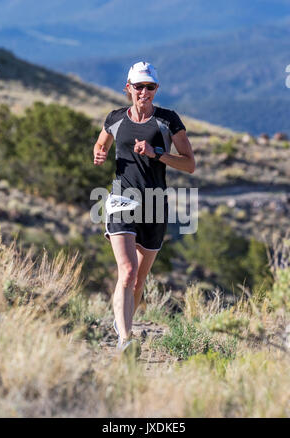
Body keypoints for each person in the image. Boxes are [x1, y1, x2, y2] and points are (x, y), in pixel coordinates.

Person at [93, 61, 195, 355]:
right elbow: (100, 145)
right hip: (121, 200)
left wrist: (157, 154)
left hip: (154, 205)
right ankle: (125, 340)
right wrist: (99, 154)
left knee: (138, 280)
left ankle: (121, 322)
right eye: (139, 86)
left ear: (156, 89)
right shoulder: (114, 118)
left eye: (150, 87)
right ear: (129, 88)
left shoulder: (168, 120)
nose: (144, 92)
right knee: (126, 272)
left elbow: (189, 164)